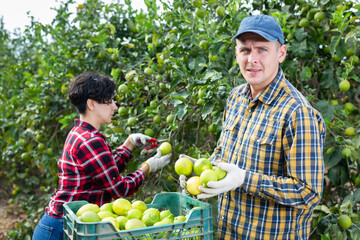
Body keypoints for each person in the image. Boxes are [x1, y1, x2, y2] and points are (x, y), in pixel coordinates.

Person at [179, 15, 326, 239]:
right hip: (228, 233)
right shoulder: (236, 97)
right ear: (236, 53)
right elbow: (224, 154)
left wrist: (245, 179)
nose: (252, 59)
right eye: (245, 50)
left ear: (281, 53)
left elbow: (308, 192)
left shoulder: (297, 113)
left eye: (262, 49)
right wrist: (199, 169)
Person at [33, 72, 171, 240]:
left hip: (64, 225)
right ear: (91, 104)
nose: (115, 107)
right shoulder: (90, 141)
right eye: (110, 101)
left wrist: (129, 143)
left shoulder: (81, 133)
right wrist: (148, 167)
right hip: (62, 229)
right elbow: (120, 189)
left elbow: (104, 169)